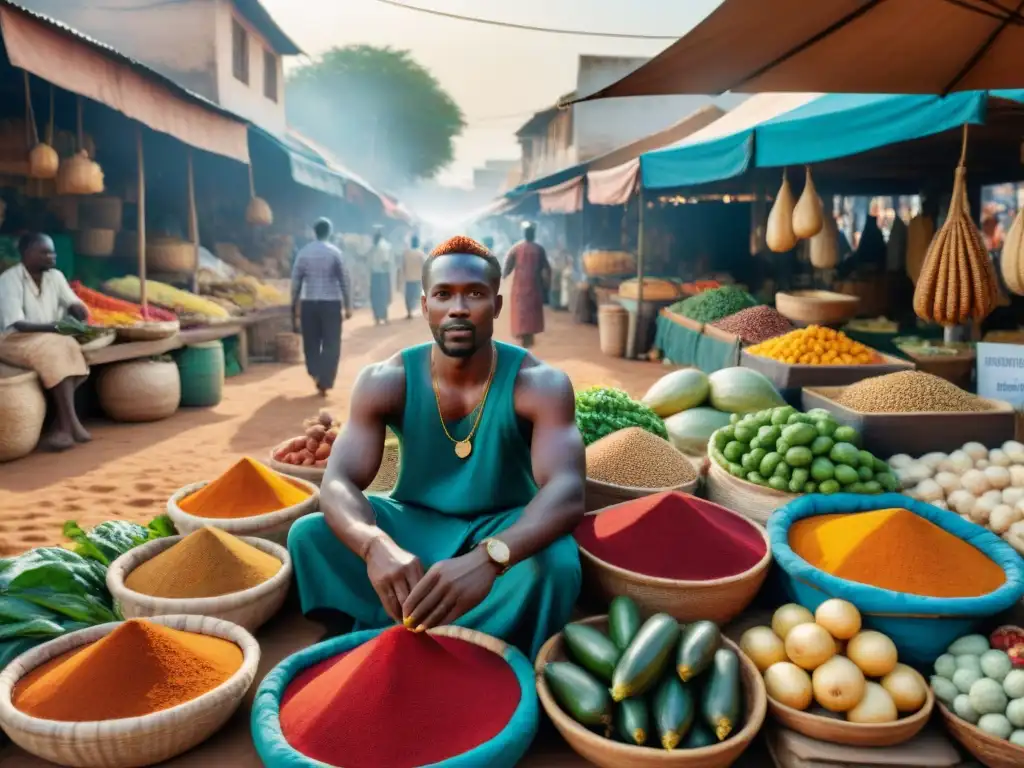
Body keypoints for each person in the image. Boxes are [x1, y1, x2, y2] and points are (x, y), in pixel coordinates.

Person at [288, 235, 584, 659]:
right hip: (412, 528)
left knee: (555, 566)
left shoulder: (540, 385)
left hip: (503, 530)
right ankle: (439, 631)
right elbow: (337, 481)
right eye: (444, 294)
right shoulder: (386, 380)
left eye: (476, 294)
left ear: (496, 307)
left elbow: (567, 493)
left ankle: (408, 633)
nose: (458, 308)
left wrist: (489, 559)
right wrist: (375, 545)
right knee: (310, 535)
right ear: (425, 306)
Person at [0, 233, 91, 451]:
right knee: (53, 348)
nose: (52, 257)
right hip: (13, 340)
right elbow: (18, 324)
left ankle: (65, 426)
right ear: (26, 254)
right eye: (45, 252)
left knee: (68, 345)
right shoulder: (8, 280)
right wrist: (58, 327)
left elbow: (73, 302)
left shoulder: (56, 277)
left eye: (53, 252)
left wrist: (77, 310)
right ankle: (69, 426)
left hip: (48, 338)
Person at [291, 218, 352, 397]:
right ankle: (325, 380)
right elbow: (344, 280)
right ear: (329, 232)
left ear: (314, 232)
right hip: (331, 304)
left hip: (309, 303)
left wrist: (294, 304)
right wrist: (348, 305)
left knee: (311, 341)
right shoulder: (335, 253)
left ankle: (315, 371)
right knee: (332, 342)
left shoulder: (303, 253)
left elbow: (295, 281)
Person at [503, 222, 550, 349]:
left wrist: (504, 275)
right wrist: (547, 285)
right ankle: (527, 337)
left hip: (520, 285)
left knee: (521, 311)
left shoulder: (516, 248)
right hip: (534, 284)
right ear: (533, 234)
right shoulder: (539, 249)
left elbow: (508, 264)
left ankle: (523, 335)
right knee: (531, 311)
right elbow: (546, 267)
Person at [368, 228, 393, 325]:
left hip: (377, 274)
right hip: (382, 274)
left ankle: (379, 317)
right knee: (382, 296)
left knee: (377, 296)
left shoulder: (381, 246)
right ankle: (383, 317)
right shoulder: (384, 246)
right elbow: (387, 262)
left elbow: (385, 262)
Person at [399, 235, 426, 319]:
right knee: (417, 296)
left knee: (409, 296)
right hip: (417, 278)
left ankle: (409, 312)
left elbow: (403, 266)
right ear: (417, 243)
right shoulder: (421, 253)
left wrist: (403, 276)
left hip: (408, 278)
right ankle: (416, 311)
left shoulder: (406, 253)